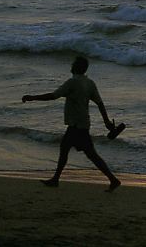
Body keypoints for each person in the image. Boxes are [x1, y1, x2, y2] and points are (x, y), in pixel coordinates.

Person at [22, 56, 121, 192]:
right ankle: (111, 179)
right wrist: (106, 121)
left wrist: (33, 97)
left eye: (73, 64)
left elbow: (54, 95)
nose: (71, 66)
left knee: (74, 151)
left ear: (75, 67)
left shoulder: (72, 82)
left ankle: (56, 180)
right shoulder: (90, 83)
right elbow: (99, 103)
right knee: (86, 153)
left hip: (76, 125)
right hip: (84, 123)